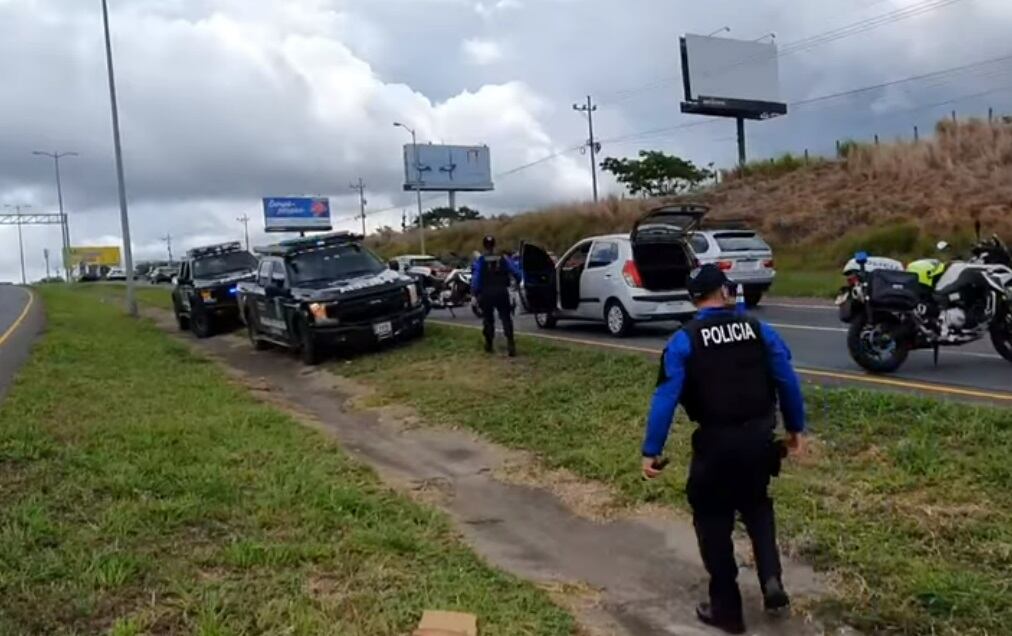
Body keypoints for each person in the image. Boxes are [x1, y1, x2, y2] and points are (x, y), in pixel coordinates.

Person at [640, 264, 807, 635]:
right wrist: (795, 429)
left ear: (695, 298)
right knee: (757, 505)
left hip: (716, 444)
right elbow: (786, 379)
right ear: (724, 292)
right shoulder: (759, 329)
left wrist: (652, 449)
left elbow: (665, 397)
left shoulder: (684, 340)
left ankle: (728, 611)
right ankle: (771, 579)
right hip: (759, 439)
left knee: (712, 518)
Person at [471, 235, 522, 356]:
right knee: (506, 318)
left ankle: (489, 344)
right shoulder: (503, 258)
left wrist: (475, 292)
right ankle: (511, 344)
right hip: (502, 291)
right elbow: (516, 272)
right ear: (494, 244)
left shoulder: (481, 260)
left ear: (484, 246)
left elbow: (476, 279)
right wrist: (517, 284)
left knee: (488, 319)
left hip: (486, 293)